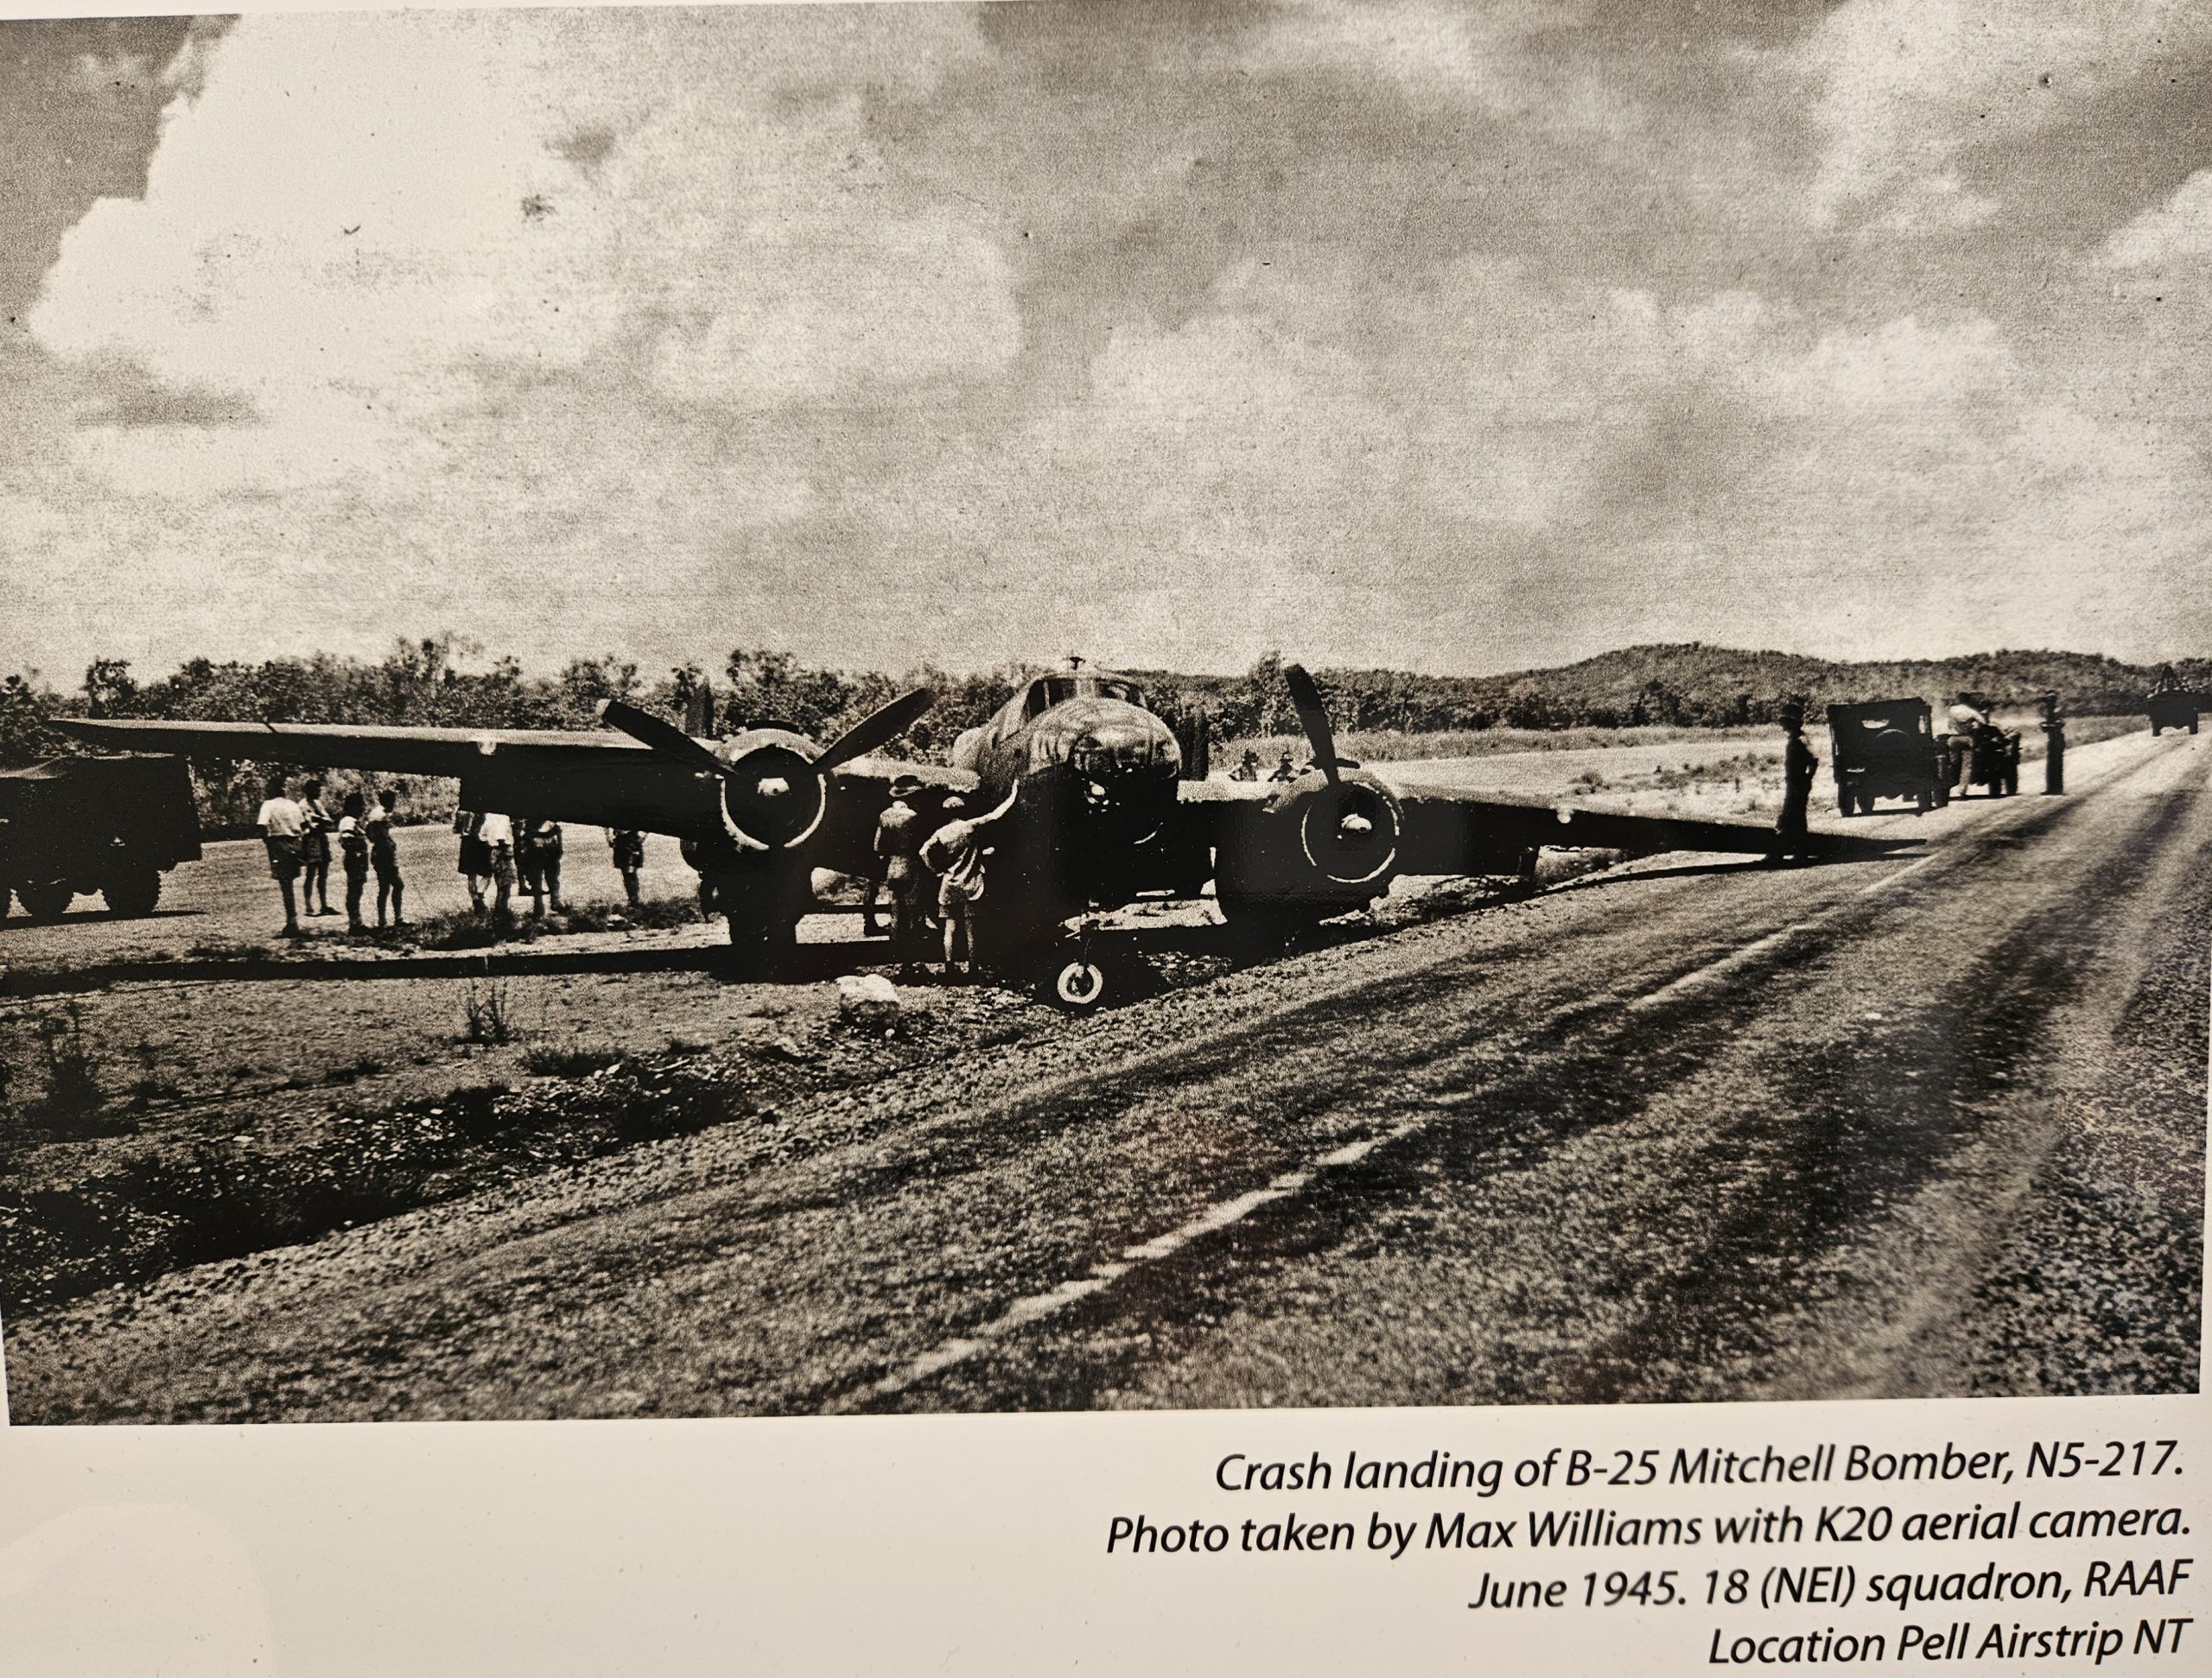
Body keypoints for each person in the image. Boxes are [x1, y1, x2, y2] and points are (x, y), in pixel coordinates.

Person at [921, 794, 988, 979]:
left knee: (949, 929)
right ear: (963, 810)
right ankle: (973, 969)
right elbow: (993, 817)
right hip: (970, 884)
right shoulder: (970, 827)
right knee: (970, 930)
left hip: (949, 884)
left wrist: (935, 869)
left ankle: (949, 968)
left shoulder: (942, 832)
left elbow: (923, 851)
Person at [873, 776, 930, 965]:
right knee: (915, 912)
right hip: (910, 865)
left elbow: (877, 847)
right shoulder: (913, 817)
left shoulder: (884, 816)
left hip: (893, 867)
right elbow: (921, 845)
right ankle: (914, 959)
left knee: (896, 913)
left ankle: (897, 955)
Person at [254, 775, 307, 936]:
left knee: (286, 885)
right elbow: (304, 825)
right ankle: (292, 921)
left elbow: (262, 826)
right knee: (289, 883)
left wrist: (269, 844)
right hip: (296, 843)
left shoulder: (268, 805)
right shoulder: (292, 804)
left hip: (279, 844)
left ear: (271, 789)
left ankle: (292, 923)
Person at [1767, 702, 1817, 865]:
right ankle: (1797, 852)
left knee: (1788, 818)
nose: (1782, 725)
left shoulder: (1798, 741)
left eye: (1785, 721)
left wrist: (1806, 779)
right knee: (1795, 818)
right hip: (1796, 783)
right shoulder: (1798, 739)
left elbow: (1813, 761)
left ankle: (1779, 853)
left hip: (1797, 784)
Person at [298, 778, 335, 916]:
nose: (319, 792)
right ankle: (308, 905)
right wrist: (320, 821)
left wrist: (320, 820)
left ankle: (324, 904)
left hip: (321, 839)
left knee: (323, 874)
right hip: (311, 841)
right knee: (311, 873)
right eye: (316, 790)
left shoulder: (318, 804)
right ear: (309, 791)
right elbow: (308, 825)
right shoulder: (302, 805)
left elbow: (329, 821)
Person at [368, 789, 405, 925]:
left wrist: (390, 842)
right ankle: (392, 919)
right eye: (393, 802)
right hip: (383, 854)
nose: (394, 805)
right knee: (395, 885)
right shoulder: (379, 815)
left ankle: (385, 919)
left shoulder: (379, 813)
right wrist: (385, 843)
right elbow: (373, 834)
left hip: (384, 852)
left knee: (387, 887)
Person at [335, 791, 371, 931]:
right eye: (360, 806)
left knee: (357, 890)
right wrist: (357, 852)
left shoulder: (353, 821)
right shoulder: (348, 821)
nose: (362, 809)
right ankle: (354, 923)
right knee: (354, 891)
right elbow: (347, 840)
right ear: (351, 807)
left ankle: (357, 921)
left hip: (358, 860)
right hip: (354, 860)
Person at [476, 810, 517, 922]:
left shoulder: (488, 816)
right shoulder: (503, 817)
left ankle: (482, 901)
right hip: (502, 852)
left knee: (496, 881)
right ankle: (501, 912)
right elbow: (501, 837)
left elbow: (481, 835)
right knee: (505, 885)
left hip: (490, 850)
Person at [1944, 691, 1987, 793]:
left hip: (1953, 739)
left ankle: (1949, 782)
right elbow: (1983, 721)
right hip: (1967, 739)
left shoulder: (1952, 710)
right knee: (1966, 764)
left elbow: (1949, 724)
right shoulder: (1971, 711)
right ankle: (1962, 790)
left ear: (1958, 699)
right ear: (1968, 701)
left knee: (1952, 762)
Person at [519, 818, 563, 917]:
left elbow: (557, 831)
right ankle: (540, 907)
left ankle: (554, 902)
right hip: (536, 848)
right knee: (537, 880)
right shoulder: (530, 821)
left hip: (549, 848)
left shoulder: (550, 822)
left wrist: (559, 847)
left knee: (551, 878)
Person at [454, 810, 492, 911]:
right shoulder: (483, 811)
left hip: (467, 843)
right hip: (480, 843)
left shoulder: (464, 811)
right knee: (488, 872)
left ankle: (476, 899)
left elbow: (457, 828)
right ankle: (479, 896)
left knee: (472, 874)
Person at [607, 828, 645, 907]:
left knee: (630, 872)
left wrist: (643, 834)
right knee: (626, 872)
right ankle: (633, 899)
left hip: (632, 839)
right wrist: (609, 836)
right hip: (620, 840)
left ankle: (634, 900)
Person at [2041, 694, 2066, 796]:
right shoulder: (2049, 713)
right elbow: (2045, 727)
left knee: (2056, 764)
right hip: (2052, 740)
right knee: (2051, 765)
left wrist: (2048, 726)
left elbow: (2060, 723)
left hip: (2057, 740)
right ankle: (2051, 788)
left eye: (2049, 701)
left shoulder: (2056, 712)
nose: (2047, 703)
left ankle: (2056, 788)